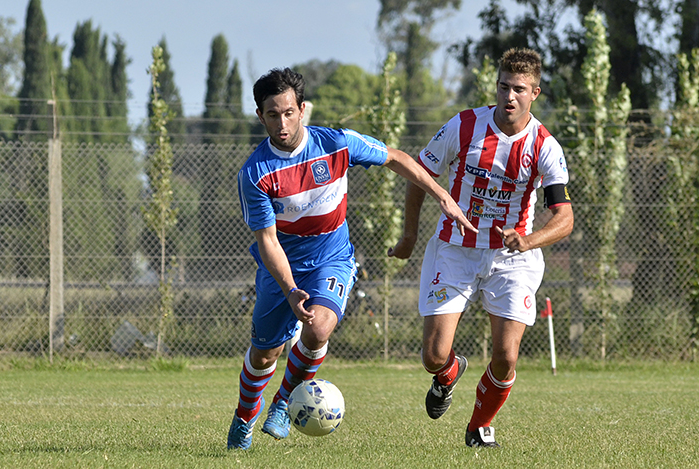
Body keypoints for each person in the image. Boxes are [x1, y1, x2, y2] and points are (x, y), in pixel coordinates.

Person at [227, 67, 476, 450]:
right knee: (264, 355)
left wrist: (442, 196)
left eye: (289, 112)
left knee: (318, 329)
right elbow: (268, 241)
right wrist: (291, 289)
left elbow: (395, 158)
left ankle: (281, 404)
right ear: (261, 115)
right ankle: (244, 418)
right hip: (283, 270)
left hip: (332, 257)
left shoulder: (337, 144)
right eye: (273, 114)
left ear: (303, 109)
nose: (282, 122)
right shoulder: (256, 173)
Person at [388, 48, 573, 448]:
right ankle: (449, 373)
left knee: (506, 357)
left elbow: (564, 218)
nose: (510, 96)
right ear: (496, 86)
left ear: (535, 93)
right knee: (433, 357)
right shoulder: (463, 126)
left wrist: (529, 239)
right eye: (504, 86)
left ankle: (479, 426)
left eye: (519, 90)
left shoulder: (544, 145)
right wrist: (408, 236)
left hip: (513, 258)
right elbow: (420, 176)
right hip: (455, 247)